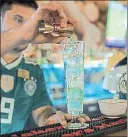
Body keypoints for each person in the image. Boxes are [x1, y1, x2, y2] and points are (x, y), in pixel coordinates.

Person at [0, 0, 90, 135]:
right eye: (18, 20)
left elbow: (42, 110)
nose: (26, 27)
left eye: (30, 23)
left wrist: (51, 118)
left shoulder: (33, 70)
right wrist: (22, 35)